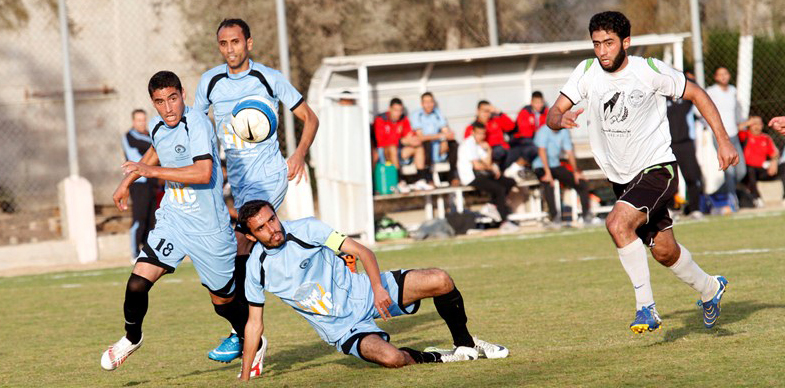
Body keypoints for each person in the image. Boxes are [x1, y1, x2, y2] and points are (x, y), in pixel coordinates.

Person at [547, 11, 738, 333]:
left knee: (617, 223)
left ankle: (645, 308)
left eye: (609, 43)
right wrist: (558, 119)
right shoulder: (587, 71)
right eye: (597, 44)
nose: (602, 51)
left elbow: (697, 94)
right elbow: (554, 111)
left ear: (626, 42)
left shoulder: (648, 71)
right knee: (664, 251)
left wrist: (723, 141)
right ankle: (710, 288)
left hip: (656, 168)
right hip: (621, 178)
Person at [236, 200, 508, 380]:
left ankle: (465, 344)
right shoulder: (257, 268)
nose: (273, 229)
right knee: (392, 359)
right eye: (261, 228)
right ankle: (438, 357)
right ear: (251, 237)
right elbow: (254, 325)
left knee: (440, 279)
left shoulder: (307, 228)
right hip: (343, 328)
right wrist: (245, 377)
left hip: (366, 292)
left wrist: (377, 288)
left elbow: (362, 252)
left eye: (272, 219)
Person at [101, 71, 260, 371]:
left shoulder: (197, 123)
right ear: (153, 103)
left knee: (222, 303)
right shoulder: (157, 124)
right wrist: (127, 182)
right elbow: (154, 152)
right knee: (137, 283)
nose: (168, 108)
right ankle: (132, 338)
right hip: (174, 220)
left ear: (182, 94)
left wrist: (151, 173)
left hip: (209, 228)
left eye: (172, 98)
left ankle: (249, 336)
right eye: (160, 102)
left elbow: (202, 173)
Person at [193, 18, 320, 362]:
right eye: (224, 43)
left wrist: (298, 154)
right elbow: (194, 126)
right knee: (242, 252)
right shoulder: (210, 82)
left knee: (239, 245)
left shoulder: (268, 78)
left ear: (249, 43)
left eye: (236, 41)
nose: (230, 49)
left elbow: (310, 118)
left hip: (268, 177)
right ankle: (318, 262)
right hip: (237, 183)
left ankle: (245, 333)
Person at [457, 124, 518, 232]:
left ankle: (492, 206)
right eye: (479, 133)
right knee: (499, 189)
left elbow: (486, 162)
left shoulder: (479, 145)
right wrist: (492, 168)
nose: (481, 136)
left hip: (481, 175)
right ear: (473, 133)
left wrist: (489, 150)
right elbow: (477, 166)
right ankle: (504, 222)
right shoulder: (468, 144)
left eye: (483, 133)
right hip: (470, 178)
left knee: (509, 182)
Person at [531, 123, 595, 225]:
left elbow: (569, 152)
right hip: (541, 166)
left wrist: (575, 172)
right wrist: (548, 173)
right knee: (548, 184)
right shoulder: (543, 131)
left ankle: (586, 215)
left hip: (555, 165)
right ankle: (554, 217)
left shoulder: (564, 131)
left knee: (581, 184)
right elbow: (541, 151)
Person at [374, 98, 433, 193]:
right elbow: (381, 141)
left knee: (418, 148)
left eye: (400, 110)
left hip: (399, 151)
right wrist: (400, 139)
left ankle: (420, 180)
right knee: (392, 148)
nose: (398, 113)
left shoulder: (403, 119)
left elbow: (409, 135)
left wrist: (412, 140)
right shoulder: (381, 119)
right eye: (395, 110)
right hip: (385, 153)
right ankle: (399, 181)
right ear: (390, 109)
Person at [706, 66, 746, 204]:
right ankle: (731, 199)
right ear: (715, 77)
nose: (723, 76)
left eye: (726, 73)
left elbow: (737, 112)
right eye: (720, 74)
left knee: (741, 171)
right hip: (720, 137)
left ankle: (719, 193)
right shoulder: (711, 92)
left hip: (733, 134)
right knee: (729, 171)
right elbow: (700, 111)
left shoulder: (733, 91)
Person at [122, 109, 158, 260]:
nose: (142, 123)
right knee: (139, 218)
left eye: (144, 120)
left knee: (151, 218)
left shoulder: (149, 135)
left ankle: (147, 251)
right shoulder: (129, 137)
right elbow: (150, 148)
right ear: (133, 121)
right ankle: (134, 252)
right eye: (138, 120)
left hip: (152, 181)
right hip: (139, 183)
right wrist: (157, 143)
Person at [666, 91, 704, 217]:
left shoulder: (684, 99)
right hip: (667, 144)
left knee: (692, 176)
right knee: (668, 178)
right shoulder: (660, 99)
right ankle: (670, 209)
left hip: (685, 143)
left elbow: (695, 90)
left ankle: (695, 209)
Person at [410, 92, 459, 186]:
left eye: (431, 101)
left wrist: (444, 139)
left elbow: (447, 132)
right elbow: (421, 137)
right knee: (426, 144)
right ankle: (428, 178)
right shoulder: (416, 115)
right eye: (426, 102)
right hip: (427, 147)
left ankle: (453, 176)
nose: (429, 104)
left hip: (438, 147)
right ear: (422, 103)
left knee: (454, 144)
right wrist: (441, 136)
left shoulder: (437, 113)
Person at [739, 116, 783, 207]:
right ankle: (757, 199)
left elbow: (775, 153)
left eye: (759, 124)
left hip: (762, 170)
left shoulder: (766, 138)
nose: (757, 127)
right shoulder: (744, 135)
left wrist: (774, 162)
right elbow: (732, 131)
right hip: (748, 171)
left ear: (762, 125)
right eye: (754, 124)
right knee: (751, 170)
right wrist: (747, 123)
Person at [464, 101, 516, 169]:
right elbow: (469, 145)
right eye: (484, 111)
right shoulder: (472, 127)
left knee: (518, 150)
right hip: (487, 152)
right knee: (499, 151)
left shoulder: (495, 120)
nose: (486, 114)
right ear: (478, 111)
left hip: (504, 149)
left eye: (488, 111)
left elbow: (511, 126)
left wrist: (500, 113)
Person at [513, 91, 549, 165]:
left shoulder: (546, 112)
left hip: (540, 138)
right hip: (525, 138)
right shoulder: (524, 112)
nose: (539, 105)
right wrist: (536, 130)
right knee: (534, 148)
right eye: (537, 102)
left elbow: (548, 127)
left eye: (541, 102)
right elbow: (524, 131)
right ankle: (517, 166)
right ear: (531, 102)